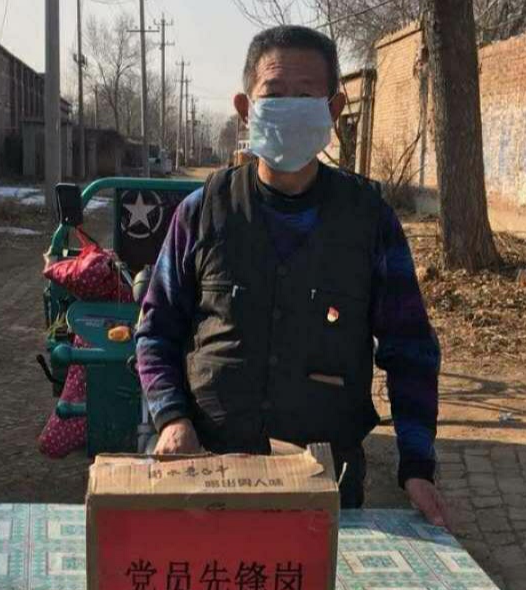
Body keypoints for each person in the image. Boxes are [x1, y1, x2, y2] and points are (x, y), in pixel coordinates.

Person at [135, 25, 446, 524]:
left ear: (333, 110)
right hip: (208, 475)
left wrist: (417, 466)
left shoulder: (370, 221)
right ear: (246, 108)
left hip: (323, 485)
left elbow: (410, 348)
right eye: (274, 95)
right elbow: (156, 330)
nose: (289, 107)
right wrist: (171, 418)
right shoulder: (201, 212)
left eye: (305, 97)